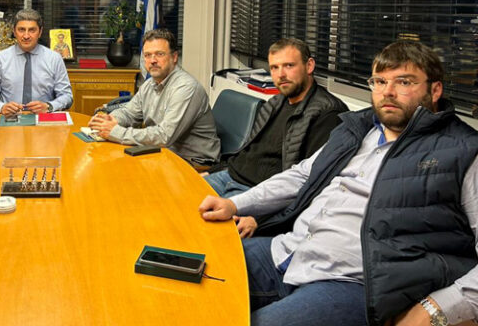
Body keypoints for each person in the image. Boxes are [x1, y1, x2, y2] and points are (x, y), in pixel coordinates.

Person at [198, 41, 478, 326]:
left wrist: (436, 308)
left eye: (404, 82)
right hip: (289, 250)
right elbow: (303, 174)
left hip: (352, 283)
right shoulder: (357, 128)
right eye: (380, 82)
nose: (388, 92)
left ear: (435, 90)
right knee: (186, 273)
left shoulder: (464, 151)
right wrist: (235, 203)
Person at [204, 38, 347, 198]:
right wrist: (211, 172)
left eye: (289, 65)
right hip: (229, 175)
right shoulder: (276, 102)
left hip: (258, 192)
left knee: (195, 212)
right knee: (181, 194)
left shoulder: (328, 113)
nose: (281, 75)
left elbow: (310, 180)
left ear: (309, 66)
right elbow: (247, 151)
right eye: (274, 68)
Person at [87, 29, 220, 166]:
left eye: (159, 54)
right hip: (163, 152)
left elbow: (164, 136)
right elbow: (129, 113)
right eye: (148, 55)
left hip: (193, 161)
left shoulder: (186, 88)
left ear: (174, 57)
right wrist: (110, 120)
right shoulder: (150, 84)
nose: (153, 61)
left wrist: (115, 132)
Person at [0, 9, 73, 115]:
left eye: (32, 30)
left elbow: (67, 96)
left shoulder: (54, 59)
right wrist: (1, 107)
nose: (26, 36)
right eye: (21, 30)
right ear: (14, 31)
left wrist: (49, 106)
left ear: (40, 32)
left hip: (43, 118)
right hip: (10, 118)